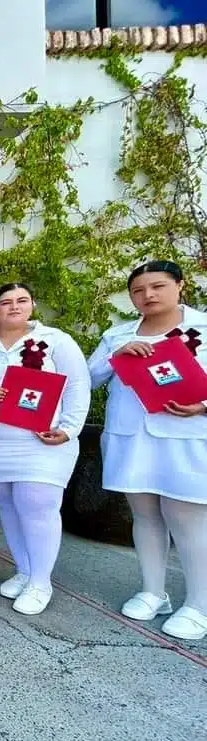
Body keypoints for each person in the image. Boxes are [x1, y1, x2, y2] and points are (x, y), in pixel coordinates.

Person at [88, 260, 207, 640]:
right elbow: (86, 379)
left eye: (157, 287)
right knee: (145, 515)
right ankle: (154, 591)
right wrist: (118, 353)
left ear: (180, 285)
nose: (148, 296)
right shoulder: (117, 334)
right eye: (138, 291)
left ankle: (198, 604)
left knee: (185, 518)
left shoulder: (203, 328)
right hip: (132, 438)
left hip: (186, 437)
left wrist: (203, 405)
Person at [0, 283, 90, 615]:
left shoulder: (56, 340)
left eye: (22, 300)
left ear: (33, 304)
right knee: (8, 505)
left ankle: (41, 582)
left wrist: (69, 429)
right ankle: (24, 570)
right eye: (6, 302)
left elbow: (78, 386)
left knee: (37, 503)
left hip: (42, 439)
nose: (14, 307)